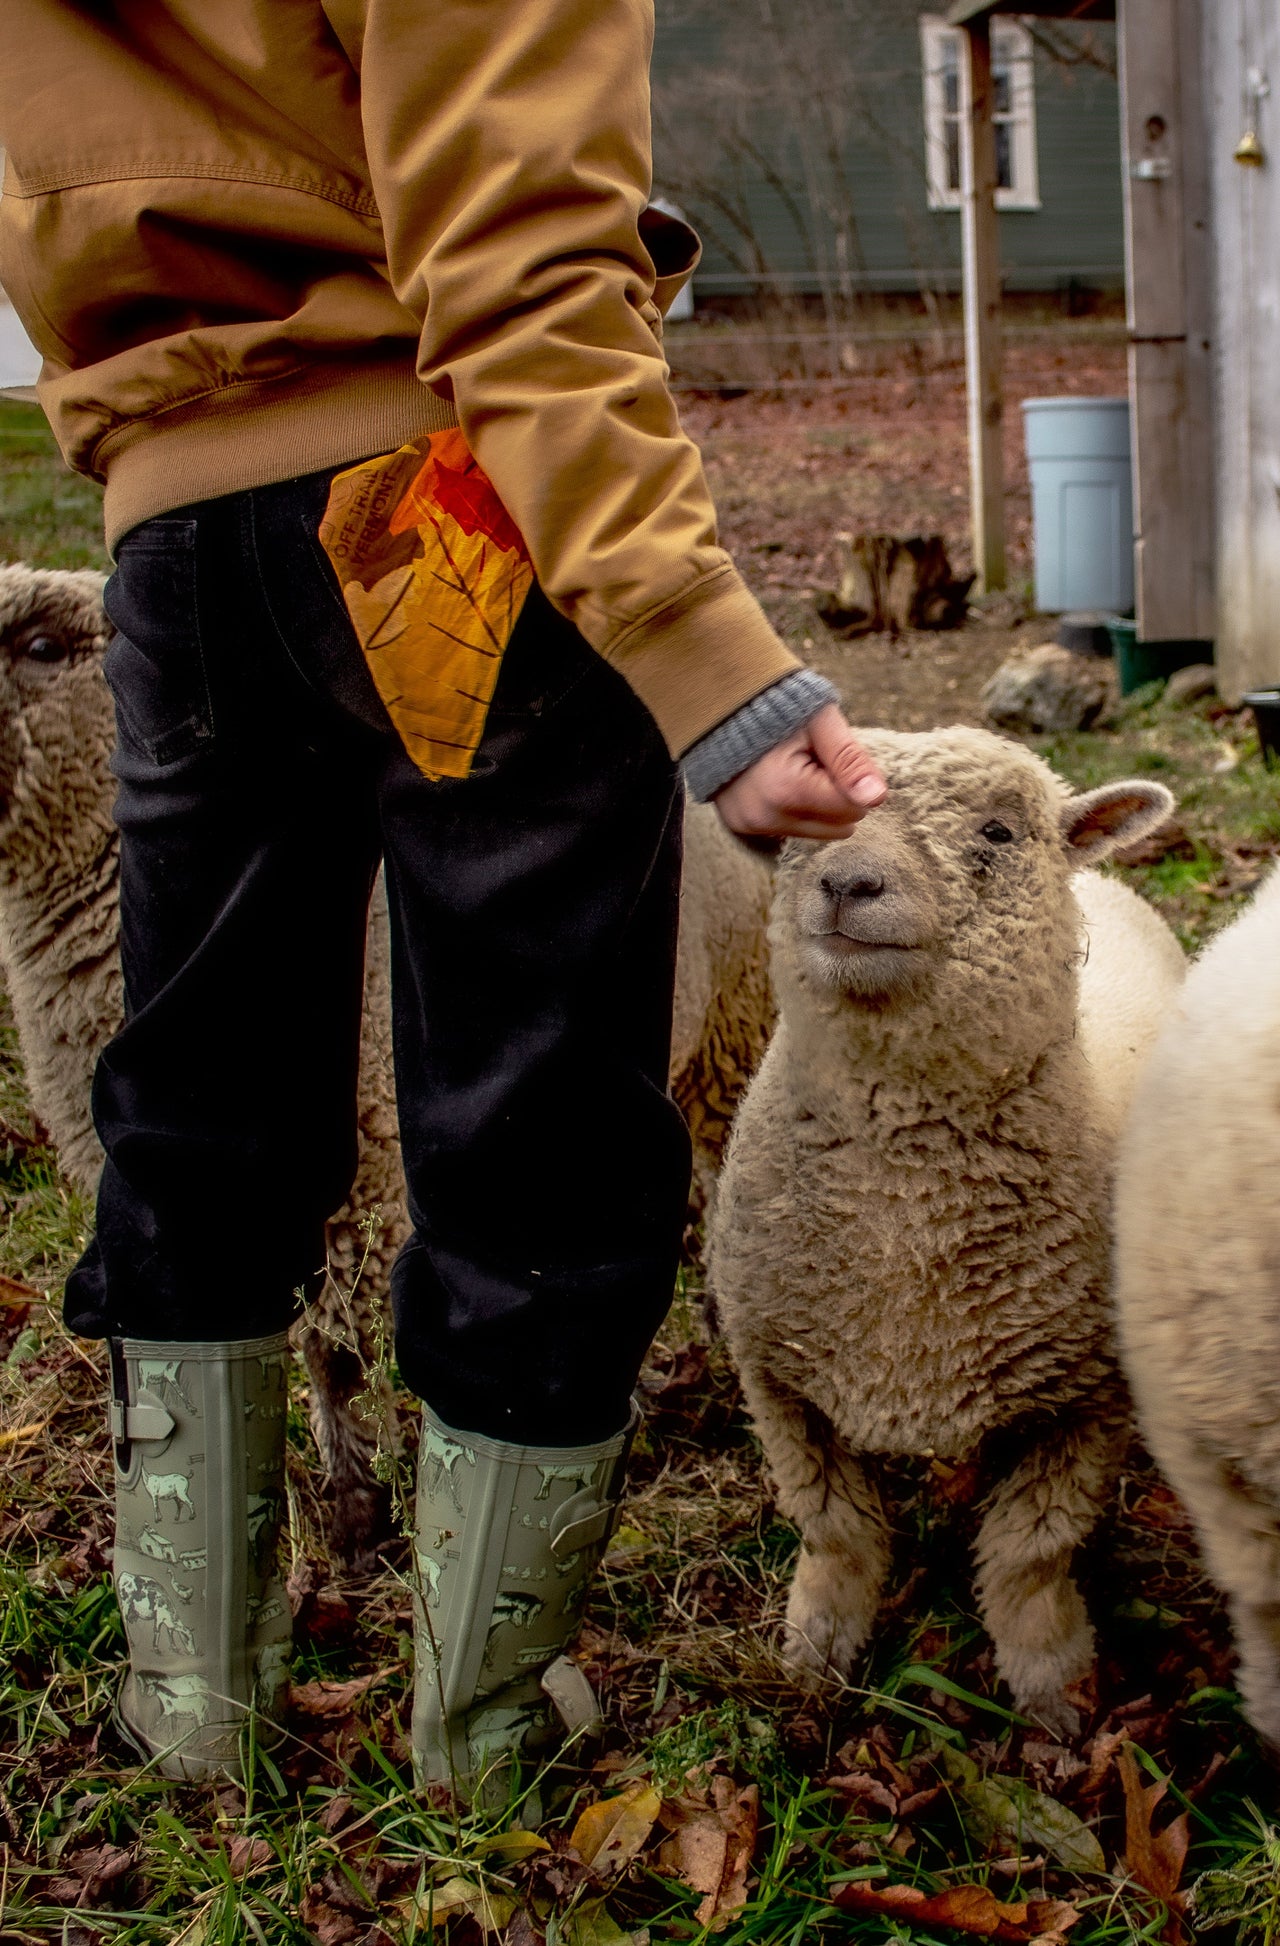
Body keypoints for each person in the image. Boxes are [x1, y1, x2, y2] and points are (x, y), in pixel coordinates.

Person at [0, 0, 886, 1799]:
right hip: (452, 491)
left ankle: (192, 1701)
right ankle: (480, 1722)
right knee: (536, 1106)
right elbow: (514, 241)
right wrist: (707, 661)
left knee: (198, 1099)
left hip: (173, 525)